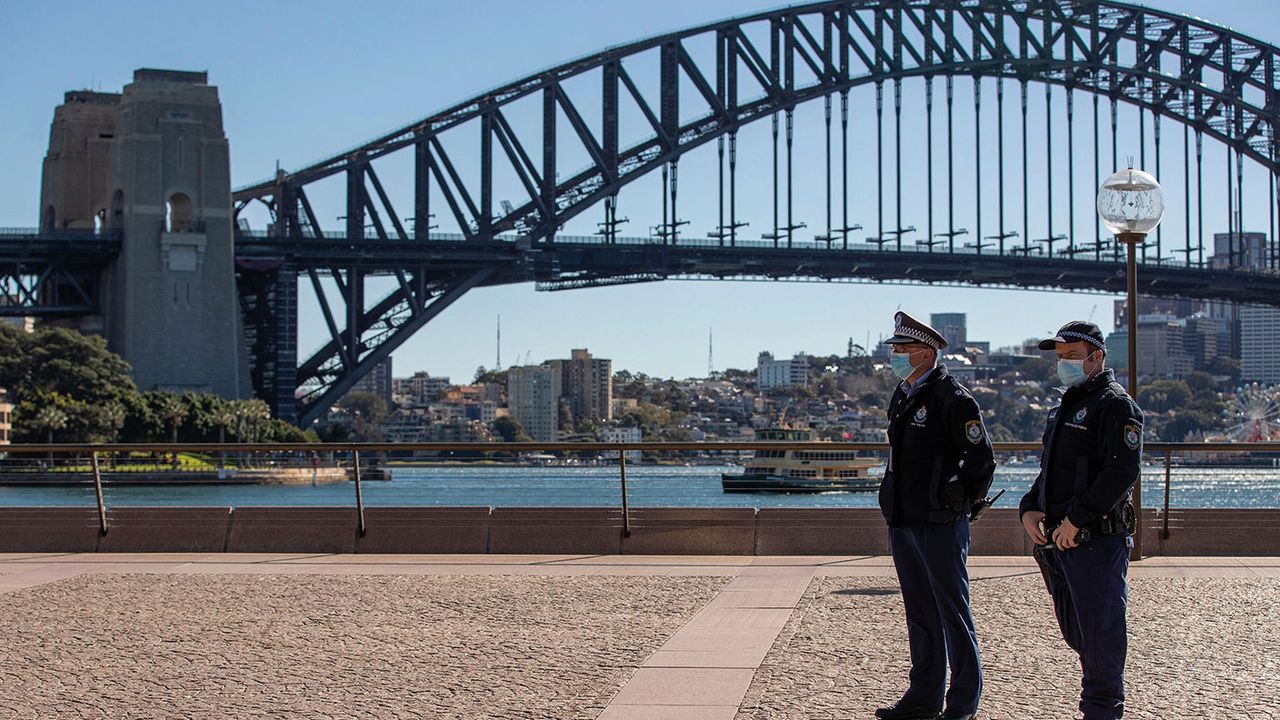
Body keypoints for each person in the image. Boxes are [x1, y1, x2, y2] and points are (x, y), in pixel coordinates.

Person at [1019, 320, 1143, 720]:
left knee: (1101, 636)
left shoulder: (1116, 405)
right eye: (1060, 357)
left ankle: (1101, 712)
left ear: (1097, 357)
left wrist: (1076, 518)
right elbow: (1051, 469)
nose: (1064, 363)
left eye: (1072, 356)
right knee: (1079, 634)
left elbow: (1121, 472)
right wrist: (1029, 507)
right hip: (1059, 542)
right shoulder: (1065, 404)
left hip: (1095, 540)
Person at [875, 311, 995, 720]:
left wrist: (958, 503)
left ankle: (961, 704)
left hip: (940, 523)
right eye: (895, 350)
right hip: (904, 519)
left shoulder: (953, 398)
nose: (895, 356)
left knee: (953, 613)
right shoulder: (903, 394)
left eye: (902, 350)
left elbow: (981, 460)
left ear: (925, 355)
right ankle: (923, 696)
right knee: (920, 613)